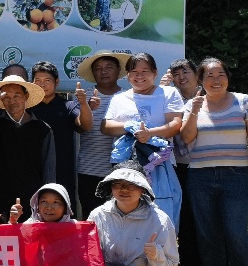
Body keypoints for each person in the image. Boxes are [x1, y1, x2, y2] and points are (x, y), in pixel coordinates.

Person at [179, 58, 248, 266]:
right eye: (209, 76)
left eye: (220, 74)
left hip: (235, 175)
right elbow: (187, 138)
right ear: (201, 80)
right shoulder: (192, 104)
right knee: (208, 235)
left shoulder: (244, 101)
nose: (215, 80)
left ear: (228, 77)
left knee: (237, 233)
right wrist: (194, 110)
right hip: (200, 176)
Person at [102, 53, 184, 229]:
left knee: (160, 211)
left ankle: (160, 245)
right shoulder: (119, 98)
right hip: (126, 166)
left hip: (160, 164)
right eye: (134, 71)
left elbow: (176, 124)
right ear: (127, 74)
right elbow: (106, 126)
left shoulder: (168, 93)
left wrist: (150, 134)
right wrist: (128, 126)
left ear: (155, 72)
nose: (139, 76)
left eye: (145, 71)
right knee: (126, 210)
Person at [0, 75, 55, 218]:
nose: (12, 101)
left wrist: (47, 198)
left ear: (26, 96)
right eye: (6, 97)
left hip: (32, 197)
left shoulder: (42, 129)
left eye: (17, 96)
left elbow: (48, 168)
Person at [162, 57, 203, 266]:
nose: (181, 77)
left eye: (185, 72)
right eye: (176, 74)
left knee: (208, 217)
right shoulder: (171, 98)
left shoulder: (210, 95)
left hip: (208, 164)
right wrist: (162, 91)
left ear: (197, 74)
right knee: (185, 217)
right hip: (181, 166)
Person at [30, 60, 91, 208]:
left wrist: (84, 103)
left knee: (63, 210)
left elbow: (85, 125)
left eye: (47, 80)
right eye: (38, 80)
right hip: (32, 169)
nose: (42, 84)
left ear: (56, 82)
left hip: (62, 170)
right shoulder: (27, 108)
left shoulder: (68, 105)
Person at [76, 51, 125, 219]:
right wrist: (87, 107)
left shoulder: (129, 97)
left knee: (120, 219)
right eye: (98, 68)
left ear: (118, 70)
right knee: (92, 220)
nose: (103, 71)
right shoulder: (83, 96)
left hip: (121, 170)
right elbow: (79, 128)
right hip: (88, 169)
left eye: (109, 67)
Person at [9, 183, 73, 224]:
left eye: (56, 202)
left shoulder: (75, 228)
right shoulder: (30, 224)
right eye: (44, 201)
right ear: (37, 205)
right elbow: (15, 238)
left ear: (65, 208)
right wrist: (13, 221)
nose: (49, 207)